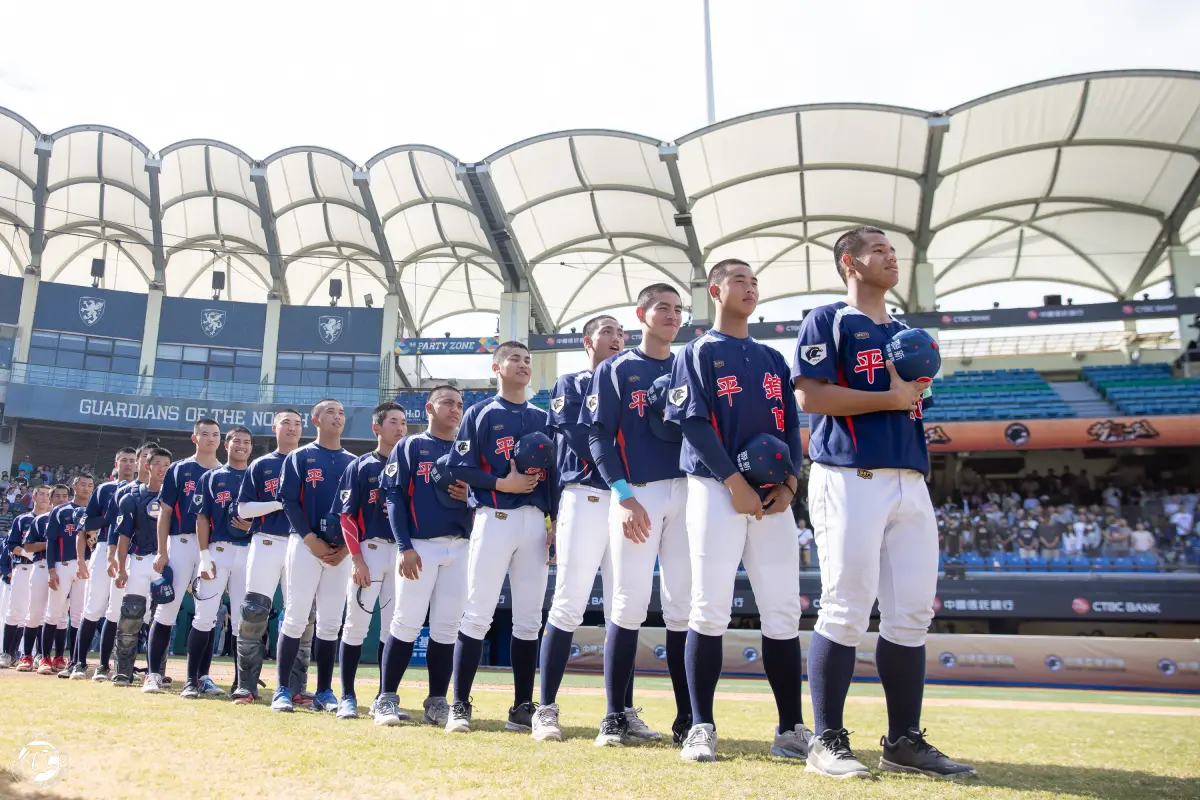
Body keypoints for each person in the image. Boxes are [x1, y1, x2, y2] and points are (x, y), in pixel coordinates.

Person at [793, 227, 974, 779]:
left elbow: (912, 399)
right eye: (878, 250)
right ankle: (826, 740)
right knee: (845, 606)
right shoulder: (826, 318)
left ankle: (902, 742)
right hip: (850, 472)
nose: (891, 257)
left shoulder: (904, 331)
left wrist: (909, 394)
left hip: (909, 479)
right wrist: (890, 397)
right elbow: (809, 394)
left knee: (913, 614)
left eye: (894, 250)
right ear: (850, 263)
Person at [663, 258, 806, 764]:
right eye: (739, 281)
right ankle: (701, 725)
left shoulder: (771, 357)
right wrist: (732, 482)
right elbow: (694, 424)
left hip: (772, 497)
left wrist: (791, 482)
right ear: (716, 292)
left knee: (783, 608)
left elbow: (791, 426)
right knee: (709, 607)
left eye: (754, 282)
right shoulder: (697, 351)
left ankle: (791, 729)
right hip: (715, 490)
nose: (750, 288)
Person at [581, 285, 690, 747]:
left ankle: (691, 718)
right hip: (636, 495)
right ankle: (614, 716)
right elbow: (598, 436)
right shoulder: (616, 369)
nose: (671, 315)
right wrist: (622, 494)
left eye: (677, 308)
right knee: (627, 604)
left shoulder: (691, 362)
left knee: (684, 606)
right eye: (661, 307)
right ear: (641, 315)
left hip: (688, 493)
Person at [536, 313, 645, 743]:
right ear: (587, 341)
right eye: (607, 332)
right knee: (568, 603)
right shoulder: (572, 382)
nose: (616, 339)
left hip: (626, 500)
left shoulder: (630, 381)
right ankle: (545, 709)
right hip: (585, 495)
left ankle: (621, 712)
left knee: (627, 607)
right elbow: (581, 437)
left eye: (621, 334)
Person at [445, 341, 558, 734]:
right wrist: (500, 481)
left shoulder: (544, 417)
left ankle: (522, 708)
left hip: (534, 521)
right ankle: (459, 704)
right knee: (477, 612)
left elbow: (557, 476)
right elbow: (456, 467)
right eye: (515, 359)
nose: (524, 365)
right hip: (493, 516)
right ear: (497, 367)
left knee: (529, 620)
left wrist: (555, 519)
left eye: (528, 360)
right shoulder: (479, 413)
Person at [376, 386, 473, 727]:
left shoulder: (468, 448)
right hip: (419, 545)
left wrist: (472, 494)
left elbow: (487, 494)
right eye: (448, 402)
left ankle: (437, 701)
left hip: (461, 546)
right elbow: (393, 497)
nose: (455, 409)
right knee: (405, 621)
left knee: (447, 628)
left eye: (460, 404)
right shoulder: (411, 445)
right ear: (430, 407)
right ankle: (386, 698)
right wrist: (404, 546)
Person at [271, 399, 355, 714]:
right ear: (316, 419)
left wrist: (347, 547)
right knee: (295, 617)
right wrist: (310, 540)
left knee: (331, 622)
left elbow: (357, 510)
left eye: (342, 412)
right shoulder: (299, 457)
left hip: (341, 549)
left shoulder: (352, 461)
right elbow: (289, 502)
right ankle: (283, 689)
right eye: (331, 411)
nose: (338, 416)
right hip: (304, 546)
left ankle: (324, 691)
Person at [334, 401, 407, 719]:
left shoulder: (409, 464)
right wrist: (356, 559)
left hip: (402, 554)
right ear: (377, 427)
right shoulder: (361, 466)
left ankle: (383, 697)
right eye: (393, 421)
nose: (400, 427)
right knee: (355, 627)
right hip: (371, 551)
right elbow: (346, 516)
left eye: (404, 422)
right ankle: (347, 696)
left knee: (392, 630)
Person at [234, 408, 307, 705]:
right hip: (265, 542)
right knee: (254, 612)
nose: (292, 428)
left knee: (302, 617)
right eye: (286, 423)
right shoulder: (261, 465)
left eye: (297, 424)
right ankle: (246, 686)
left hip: (301, 544)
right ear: (274, 427)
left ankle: (294, 688)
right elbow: (243, 509)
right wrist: (278, 504)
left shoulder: (308, 461)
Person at [145, 419, 222, 692]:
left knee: (208, 614)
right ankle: (153, 673)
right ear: (194, 437)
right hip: (181, 542)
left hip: (212, 547)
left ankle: (202, 676)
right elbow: (164, 512)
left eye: (215, 434)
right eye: (205, 434)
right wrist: (162, 550)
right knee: (167, 609)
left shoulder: (224, 472)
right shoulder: (180, 469)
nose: (211, 438)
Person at [183, 426, 255, 698]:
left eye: (247, 442)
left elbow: (266, 514)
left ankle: (242, 683)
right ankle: (193, 679)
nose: (242, 446)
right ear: (227, 444)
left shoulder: (256, 475)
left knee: (243, 620)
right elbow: (201, 518)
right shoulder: (212, 477)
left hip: (248, 552)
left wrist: (253, 525)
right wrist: (203, 556)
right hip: (218, 550)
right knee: (204, 617)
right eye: (237, 440)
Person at [75, 447, 138, 679]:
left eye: (133, 460)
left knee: (116, 611)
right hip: (103, 548)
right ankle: (79, 663)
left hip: (131, 551)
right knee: (93, 606)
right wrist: (109, 518)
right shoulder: (104, 489)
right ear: (116, 462)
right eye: (124, 460)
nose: (129, 465)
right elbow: (85, 521)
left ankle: (104, 665)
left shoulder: (141, 490)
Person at [112, 448, 174, 687]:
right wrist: (121, 567)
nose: (162, 469)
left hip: (165, 563)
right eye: (157, 464)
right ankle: (123, 671)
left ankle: (156, 672)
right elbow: (124, 536)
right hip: (139, 561)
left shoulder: (176, 497)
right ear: (147, 467)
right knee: (131, 615)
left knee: (161, 619)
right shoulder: (131, 498)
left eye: (166, 465)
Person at [45, 474, 95, 677]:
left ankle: (74, 660)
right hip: (63, 564)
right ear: (74, 485)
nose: (86, 488)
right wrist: (50, 569)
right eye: (82, 484)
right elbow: (50, 541)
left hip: (86, 565)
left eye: (90, 485)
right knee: (53, 613)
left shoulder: (94, 509)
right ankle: (45, 658)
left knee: (78, 615)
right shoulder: (60, 510)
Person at [4, 486, 52, 670]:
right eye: (42, 494)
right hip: (24, 567)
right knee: (16, 610)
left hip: (44, 568)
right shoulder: (22, 519)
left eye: (49, 495)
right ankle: (7, 653)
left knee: (42, 613)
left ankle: (39, 655)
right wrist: (30, 553)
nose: (45, 498)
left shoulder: (52, 520)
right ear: (33, 496)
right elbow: (12, 545)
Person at [25, 484, 71, 674]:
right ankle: (27, 655)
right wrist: (51, 544)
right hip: (42, 566)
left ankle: (59, 657)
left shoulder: (75, 518)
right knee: (35, 612)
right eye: (57, 496)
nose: (61, 499)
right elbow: (27, 547)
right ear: (50, 500)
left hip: (65, 569)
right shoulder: (41, 520)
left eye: (64, 496)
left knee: (61, 616)